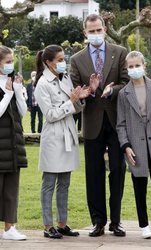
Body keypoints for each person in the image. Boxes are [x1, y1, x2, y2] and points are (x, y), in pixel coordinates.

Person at [70, 14, 129, 237]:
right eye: (91, 31)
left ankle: (116, 221)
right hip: (92, 122)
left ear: (104, 29)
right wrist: (90, 90)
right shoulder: (76, 59)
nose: (96, 34)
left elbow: (126, 83)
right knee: (93, 174)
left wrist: (111, 90)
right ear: (85, 33)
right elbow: (76, 92)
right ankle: (98, 221)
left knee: (117, 170)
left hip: (116, 121)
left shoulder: (120, 52)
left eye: (98, 30)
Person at [34, 44, 91, 239]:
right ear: (48, 63)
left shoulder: (65, 78)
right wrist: (70, 102)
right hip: (53, 138)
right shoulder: (42, 84)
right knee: (49, 183)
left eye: (63, 59)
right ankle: (47, 225)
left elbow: (73, 107)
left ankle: (62, 224)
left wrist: (80, 98)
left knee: (65, 182)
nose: (62, 63)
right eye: (59, 60)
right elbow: (50, 115)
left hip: (68, 135)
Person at [116, 51, 151, 239]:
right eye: (130, 67)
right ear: (127, 69)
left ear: (144, 65)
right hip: (135, 146)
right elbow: (121, 124)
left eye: (137, 65)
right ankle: (144, 225)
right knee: (139, 186)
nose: (134, 69)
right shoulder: (124, 94)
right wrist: (126, 146)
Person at [0, 45, 28, 240]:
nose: (11, 65)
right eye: (7, 62)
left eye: (12, 61)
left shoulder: (12, 81)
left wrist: (17, 91)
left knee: (11, 188)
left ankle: (9, 228)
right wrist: (8, 94)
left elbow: (22, 112)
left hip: (13, 142)